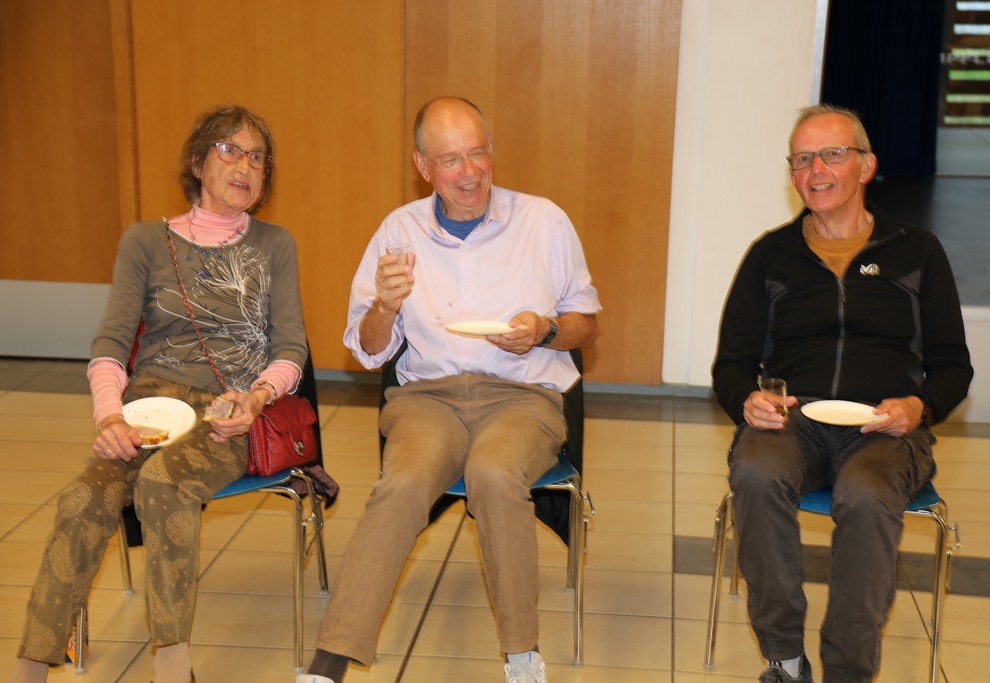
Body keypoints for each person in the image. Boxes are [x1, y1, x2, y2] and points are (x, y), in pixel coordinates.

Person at [298, 97, 600, 683]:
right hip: (427, 400)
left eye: (478, 154)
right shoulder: (398, 230)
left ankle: (522, 656)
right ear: (423, 165)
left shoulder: (544, 221)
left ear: (492, 150)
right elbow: (367, 350)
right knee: (403, 484)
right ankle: (330, 660)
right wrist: (385, 306)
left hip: (521, 398)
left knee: (493, 473)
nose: (469, 172)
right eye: (451, 160)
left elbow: (586, 325)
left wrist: (546, 329)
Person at [9, 105, 309, 683]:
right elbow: (110, 343)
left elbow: (290, 347)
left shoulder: (275, 244)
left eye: (257, 157)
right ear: (197, 163)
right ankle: (31, 664)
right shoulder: (146, 241)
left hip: (228, 410)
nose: (245, 166)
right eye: (229, 150)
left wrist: (256, 398)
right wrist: (109, 418)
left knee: (164, 482)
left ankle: (173, 663)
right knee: (82, 498)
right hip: (147, 406)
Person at [711, 104, 974, 683]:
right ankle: (784, 656)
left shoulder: (916, 251)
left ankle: (849, 671)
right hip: (793, 423)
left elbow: (954, 366)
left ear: (866, 166)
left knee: (866, 492)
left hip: (882, 427)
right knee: (756, 471)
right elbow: (730, 364)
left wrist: (919, 407)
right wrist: (746, 400)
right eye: (803, 159)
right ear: (792, 174)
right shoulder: (770, 255)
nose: (817, 170)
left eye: (832, 154)